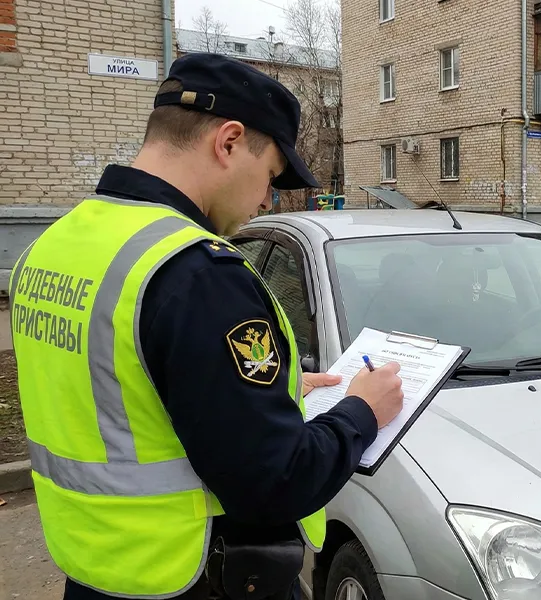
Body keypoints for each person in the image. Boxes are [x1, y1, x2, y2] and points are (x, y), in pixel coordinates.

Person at [9, 53, 406, 600]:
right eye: (270, 176)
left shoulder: (53, 245)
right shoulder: (197, 274)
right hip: (197, 575)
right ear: (229, 141)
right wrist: (362, 412)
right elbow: (275, 483)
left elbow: (119, 391)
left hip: (98, 569)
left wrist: (271, 391)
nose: (266, 199)